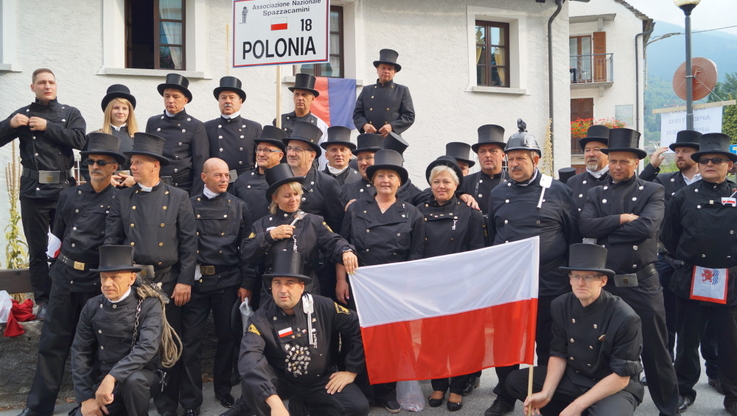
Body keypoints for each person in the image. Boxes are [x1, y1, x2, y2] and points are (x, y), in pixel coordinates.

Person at [15, 133, 123, 416]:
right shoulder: (68, 195)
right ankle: (38, 407)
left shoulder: (121, 201)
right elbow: (58, 237)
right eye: (90, 161)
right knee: (52, 345)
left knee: (97, 347)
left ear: (114, 167)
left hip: (96, 282)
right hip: (65, 279)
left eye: (102, 162)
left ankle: (94, 406)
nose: (95, 166)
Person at [579, 128, 680, 416]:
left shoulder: (653, 190)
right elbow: (585, 226)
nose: (618, 167)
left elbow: (647, 227)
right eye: (613, 161)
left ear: (636, 162)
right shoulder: (596, 193)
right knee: (603, 350)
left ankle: (669, 408)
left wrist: (607, 229)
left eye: (624, 161)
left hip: (642, 284)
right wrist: (622, 219)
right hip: (606, 285)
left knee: (656, 351)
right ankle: (605, 405)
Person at [485, 127, 580, 416]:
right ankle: (505, 395)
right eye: (510, 159)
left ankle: (545, 393)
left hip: (550, 283)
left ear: (536, 160)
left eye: (520, 158)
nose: (513, 164)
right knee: (506, 342)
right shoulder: (499, 192)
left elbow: (573, 236)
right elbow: (493, 232)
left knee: (549, 342)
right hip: (510, 284)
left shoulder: (559, 191)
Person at [104, 132, 197, 416]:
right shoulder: (122, 198)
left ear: (155, 166)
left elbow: (189, 243)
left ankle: (170, 406)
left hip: (169, 281)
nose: (132, 166)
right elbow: (112, 242)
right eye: (132, 162)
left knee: (169, 343)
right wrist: (117, 281)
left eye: (138, 162)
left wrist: (184, 280)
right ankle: (136, 403)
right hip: (135, 283)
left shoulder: (179, 197)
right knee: (136, 343)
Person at [505, 243, 644, 416]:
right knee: (515, 381)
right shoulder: (561, 305)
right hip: (575, 376)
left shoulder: (625, 317)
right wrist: (546, 393)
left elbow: (621, 377)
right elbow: (558, 353)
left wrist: (576, 406)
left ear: (603, 280)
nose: (580, 283)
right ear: (569, 279)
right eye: (576, 276)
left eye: (588, 277)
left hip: (612, 385)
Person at [340, 149, 425, 413]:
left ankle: (387, 392)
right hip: (360, 285)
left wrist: (408, 290)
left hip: (394, 289)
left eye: (391, 176)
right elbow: (342, 245)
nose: (385, 180)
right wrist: (341, 281)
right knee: (359, 337)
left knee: (390, 341)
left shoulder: (412, 213)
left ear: (399, 182)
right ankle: (363, 390)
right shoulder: (356, 209)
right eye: (380, 176)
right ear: (372, 180)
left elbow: (416, 256)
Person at [0, 68, 86, 320]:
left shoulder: (70, 113)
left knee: (66, 247)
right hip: (32, 192)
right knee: (37, 250)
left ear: (56, 86)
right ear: (33, 87)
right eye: (41, 83)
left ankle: (66, 297)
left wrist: (48, 126)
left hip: (63, 191)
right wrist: (9, 124)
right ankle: (44, 300)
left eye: (51, 82)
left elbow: (81, 141)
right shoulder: (23, 115)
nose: (47, 86)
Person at [660, 133, 737, 415]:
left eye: (717, 160)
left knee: (730, 342)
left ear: (730, 165)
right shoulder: (683, 196)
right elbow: (669, 236)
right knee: (687, 341)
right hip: (692, 278)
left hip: (729, 282)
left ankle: (733, 395)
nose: (709, 164)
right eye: (704, 160)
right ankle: (683, 390)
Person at [239, 250, 369, 416]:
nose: (282, 290)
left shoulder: (323, 305)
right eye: (277, 283)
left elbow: (360, 326)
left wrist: (352, 370)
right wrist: (274, 403)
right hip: (282, 381)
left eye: (290, 283)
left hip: (319, 379)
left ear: (301, 287)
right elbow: (249, 359)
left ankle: (305, 406)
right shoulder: (260, 319)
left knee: (357, 407)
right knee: (251, 384)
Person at [70, 245, 180, 416]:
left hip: (141, 378)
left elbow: (147, 348)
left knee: (133, 381)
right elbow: (80, 352)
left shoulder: (149, 304)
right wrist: (85, 398)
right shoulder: (92, 306)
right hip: (104, 382)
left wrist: (112, 377)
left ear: (131, 278)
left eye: (114, 277)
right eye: (103, 277)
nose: (107, 284)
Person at [180, 158, 252, 412]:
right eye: (218, 175)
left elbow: (247, 249)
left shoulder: (239, 206)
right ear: (204, 178)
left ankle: (222, 389)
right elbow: (183, 247)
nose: (224, 179)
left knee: (227, 338)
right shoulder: (188, 206)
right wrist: (183, 281)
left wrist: (246, 283)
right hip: (196, 283)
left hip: (227, 281)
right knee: (190, 342)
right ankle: (191, 401)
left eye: (226, 175)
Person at [418, 156, 485, 412]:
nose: (441, 186)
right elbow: (415, 251)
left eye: (446, 181)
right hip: (430, 288)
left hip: (461, 287)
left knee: (460, 340)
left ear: (457, 185)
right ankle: (438, 385)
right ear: (430, 185)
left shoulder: (470, 213)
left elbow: (478, 254)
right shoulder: (419, 212)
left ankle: (457, 387)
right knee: (433, 338)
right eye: (436, 181)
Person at [242, 163, 357, 298]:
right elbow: (247, 253)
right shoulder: (262, 224)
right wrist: (270, 236)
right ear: (275, 198)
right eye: (287, 196)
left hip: (307, 290)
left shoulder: (313, 221)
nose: (293, 200)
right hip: (273, 292)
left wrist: (346, 251)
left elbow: (333, 241)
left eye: (296, 194)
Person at [146, 73, 209, 195]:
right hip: (155, 186)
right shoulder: (153, 122)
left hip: (183, 187)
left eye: (176, 97)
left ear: (185, 100)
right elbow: (147, 157)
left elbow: (200, 164)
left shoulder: (195, 126)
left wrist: (195, 197)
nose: (170, 100)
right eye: (167, 96)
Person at [283, 120, 344, 231]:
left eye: (297, 149)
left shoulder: (327, 184)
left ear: (312, 155)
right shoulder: (279, 179)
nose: (291, 153)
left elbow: (335, 224)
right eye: (289, 148)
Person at [204, 76, 263, 188]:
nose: (227, 101)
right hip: (217, 183)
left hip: (245, 182)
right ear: (218, 101)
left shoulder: (254, 128)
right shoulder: (207, 127)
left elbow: (260, 159)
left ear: (240, 102)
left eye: (232, 97)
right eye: (223, 98)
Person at [353, 49, 415, 137]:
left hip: (392, 137)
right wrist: (364, 125)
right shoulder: (367, 90)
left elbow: (409, 116)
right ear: (377, 70)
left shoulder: (402, 90)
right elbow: (357, 114)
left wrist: (392, 126)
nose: (386, 71)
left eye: (390, 69)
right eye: (383, 68)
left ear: (394, 72)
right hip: (370, 138)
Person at [233, 126, 287, 222]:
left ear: (280, 155)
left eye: (267, 150)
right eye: (259, 149)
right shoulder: (243, 179)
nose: (261, 154)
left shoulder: (286, 180)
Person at [458, 124, 508, 216]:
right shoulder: (465, 183)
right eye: (482, 151)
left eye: (493, 151)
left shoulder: (513, 181)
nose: (487, 155)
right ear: (478, 156)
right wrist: (460, 196)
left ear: (503, 155)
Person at [566, 125, 610, 211]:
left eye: (597, 149)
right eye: (587, 150)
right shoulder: (573, 182)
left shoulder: (617, 180)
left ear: (609, 154)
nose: (591, 154)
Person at [274, 73, 328, 141]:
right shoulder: (280, 121)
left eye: (304, 95)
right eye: (297, 94)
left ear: (312, 98)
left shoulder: (320, 125)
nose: (300, 98)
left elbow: (322, 150)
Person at [340, 133, 383, 207]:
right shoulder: (347, 190)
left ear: (380, 158)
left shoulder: (395, 188)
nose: (363, 162)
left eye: (368, 157)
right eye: (360, 159)